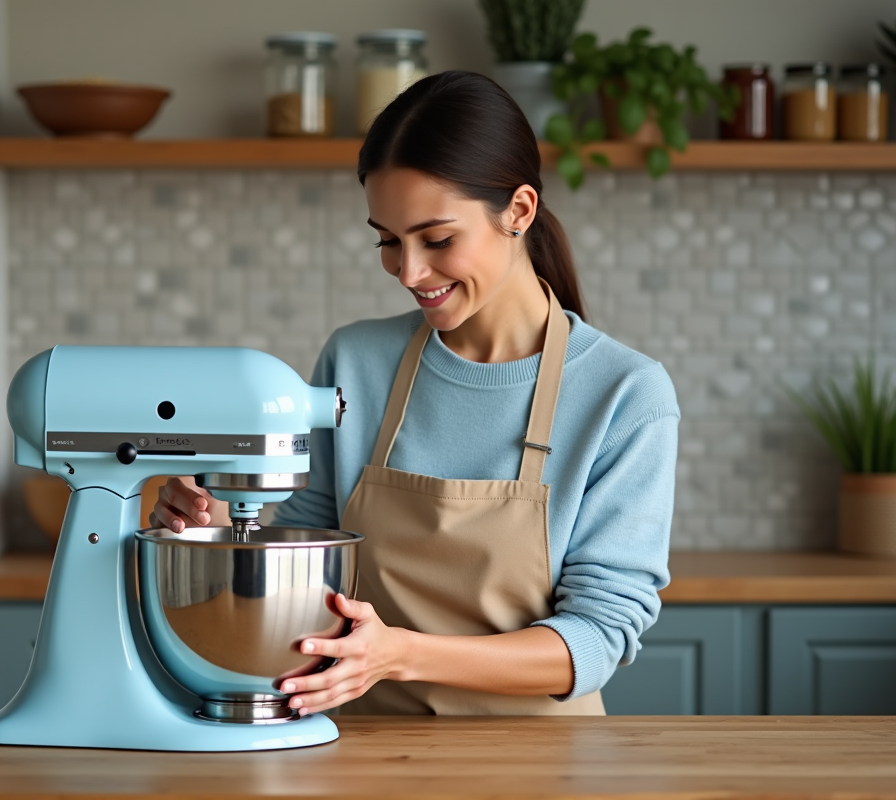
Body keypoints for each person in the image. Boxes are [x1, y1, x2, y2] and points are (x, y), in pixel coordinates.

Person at [151, 70, 678, 716]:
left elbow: (600, 636)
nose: (409, 271)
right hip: (363, 747)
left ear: (519, 211)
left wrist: (400, 654)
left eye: (438, 239)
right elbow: (296, 546)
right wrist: (212, 522)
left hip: (543, 756)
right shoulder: (355, 362)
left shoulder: (624, 394)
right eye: (388, 240)